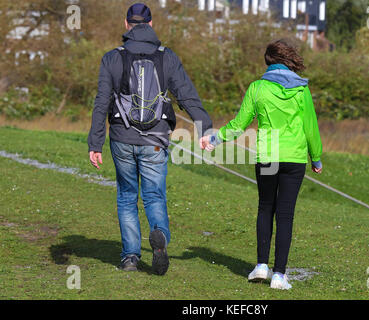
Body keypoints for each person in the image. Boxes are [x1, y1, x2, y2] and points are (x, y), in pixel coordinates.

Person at [88, 3, 212, 275]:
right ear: (151, 24)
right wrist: (204, 128)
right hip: (156, 139)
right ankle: (160, 239)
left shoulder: (112, 57)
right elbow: (187, 95)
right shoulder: (167, 57)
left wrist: (95, 143)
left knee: (126, 197)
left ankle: (130, 257)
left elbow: (101, 102)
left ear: (126, 24)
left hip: (121, 137)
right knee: (154, 195)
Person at [200, 39, 323, 290]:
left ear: (268, 63)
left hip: (267, 156)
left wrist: (214, 138)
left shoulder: (257, 88)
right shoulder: (302, 90)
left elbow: (238, 125)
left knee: (265, 207)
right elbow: (310, 126)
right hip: (295, 157)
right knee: (285, 215)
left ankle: (261, 266)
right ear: (288, 61)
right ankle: (279, 275)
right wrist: (316, 157)